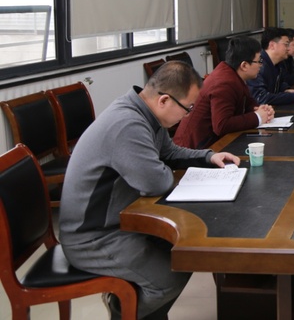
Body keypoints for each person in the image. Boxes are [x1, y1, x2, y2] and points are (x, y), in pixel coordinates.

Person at [59, 61, 241, 320]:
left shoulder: (146, 113)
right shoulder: (127, 125)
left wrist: (208, 157)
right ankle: (121, 311)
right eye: (187, 108)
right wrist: (158, 168)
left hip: (121, 222)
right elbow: (155, 182)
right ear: (164, 100)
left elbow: (169, 153)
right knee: (169, 279)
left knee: (186, 256)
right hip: (93, 237)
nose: (187, 115)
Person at [174, 36, 274, 149]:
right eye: (259, 61)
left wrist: (261, 110)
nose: (261, 65)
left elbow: (246, 102)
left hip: (213, 143)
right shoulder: (224, 83)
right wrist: (257, 117)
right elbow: (221, 125)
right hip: (194, 149)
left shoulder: (233, 75)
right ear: (244, 65)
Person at [248, 27, 294, 105]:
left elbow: (280, 83)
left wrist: (286, 89)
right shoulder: (258, 65)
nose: (288, 49)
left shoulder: (278, 63)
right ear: (272, 45)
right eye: (286, 44)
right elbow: (261, 98)